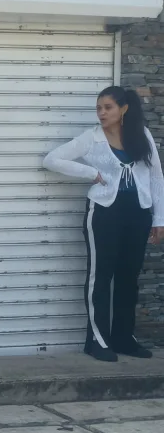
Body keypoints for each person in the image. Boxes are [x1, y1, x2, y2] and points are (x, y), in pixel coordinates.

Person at [42, 86, 164, 362]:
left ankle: (123, 337)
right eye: (98, 108)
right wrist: (92, 172)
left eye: (107, 107)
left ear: (123, 109)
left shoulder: (141, 135)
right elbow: (52, 159)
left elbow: (157, 177)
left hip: (138, 213)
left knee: (128, 277)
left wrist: (159, 219)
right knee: (101, 275)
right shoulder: (91, 138)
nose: (102, 113)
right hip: (104, 211)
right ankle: (97, 340)